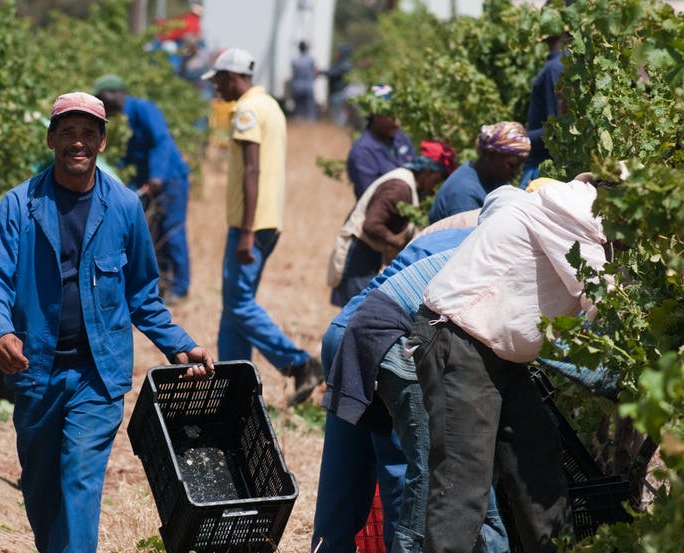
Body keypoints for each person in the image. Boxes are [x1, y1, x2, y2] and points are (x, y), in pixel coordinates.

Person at [0, 92, 214, 553]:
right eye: (67, 133)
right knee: (40, 481)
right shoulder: (19, 206)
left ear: (103, 142)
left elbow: (142, 295)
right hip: (35, 369)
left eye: (88, 134)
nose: (77, 143)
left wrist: (179, 344)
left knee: (80, 475)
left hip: (97, 372)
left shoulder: (124, 207)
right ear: (51, 139)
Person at [409, 177, 604, 553]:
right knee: (464, 470)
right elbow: (603, 297)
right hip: (459, 339)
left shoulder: (546, 207)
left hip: (496, 350)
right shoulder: (574, 225)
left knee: (535, 447)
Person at [328, 239, 512, 553]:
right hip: (395, 339)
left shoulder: (500, 242)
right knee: (433, 457)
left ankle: (490, 545)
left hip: (417, 332)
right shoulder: (504, 252)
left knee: (460, 448)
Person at [201, 47, 323, 405]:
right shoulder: (270, 105)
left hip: (250, 224)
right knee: (233, 305)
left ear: (231, 76)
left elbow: (252, 170)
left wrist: (247, 231)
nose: (217, 89)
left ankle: (300, 363)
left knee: (238, 304)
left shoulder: (247, 112)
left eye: (219, 80)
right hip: (266, 220)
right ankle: (230, 381)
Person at [93, 75, 192, 305]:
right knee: (154, 235)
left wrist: (157, 175)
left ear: (115, 93)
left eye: (101, 98)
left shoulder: (144, 109)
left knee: (172, 232)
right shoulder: (120, 121)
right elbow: (127, 159)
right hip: (148, 184)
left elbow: (161, 141)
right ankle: (163, 285)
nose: (102, 104)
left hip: (170, 181)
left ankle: (181, 288)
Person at [328, 141, 457, 307]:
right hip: (358, 255)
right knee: (356, 312)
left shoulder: (409, 185)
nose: (435, 188)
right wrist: (399, 242)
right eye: (438, 179)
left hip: (368, 253)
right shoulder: (399, 188)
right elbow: (371, 225)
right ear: (429, 172)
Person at [428, 121, 530, 224]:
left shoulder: (494, 178)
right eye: (511, 165)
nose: (516, 172)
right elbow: (467, 236)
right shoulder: (464, 193)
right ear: (491, 155)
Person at [521, 10, 570, 189]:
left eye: (549, 14)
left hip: (541, 169)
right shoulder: (560, 64)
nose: (541, 19)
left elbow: (555, 130)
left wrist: (520, 138)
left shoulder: (555, 68)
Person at [346, 85, 414, 200]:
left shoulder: (401, 139)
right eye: (390, 117)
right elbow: (371, 197)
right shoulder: (363, 151)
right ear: (376, 116)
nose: (397, 123)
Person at [324, 43, 353, 126]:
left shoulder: (345, 65)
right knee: (333, 117)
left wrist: (322, 72)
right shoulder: (338, 64)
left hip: (339, 94)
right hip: (335, 94)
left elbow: (332, 73)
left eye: (338, 51)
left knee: (337, 118)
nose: (336, 53)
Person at [290, 40, 317, 122]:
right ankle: (310, 128)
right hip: (308, 86)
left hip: (297, 86)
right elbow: (314, 72)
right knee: (310, 109)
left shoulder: (295, 61)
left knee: (298, 109)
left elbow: (294, 74)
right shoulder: (311, 60)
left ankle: (299, 129)